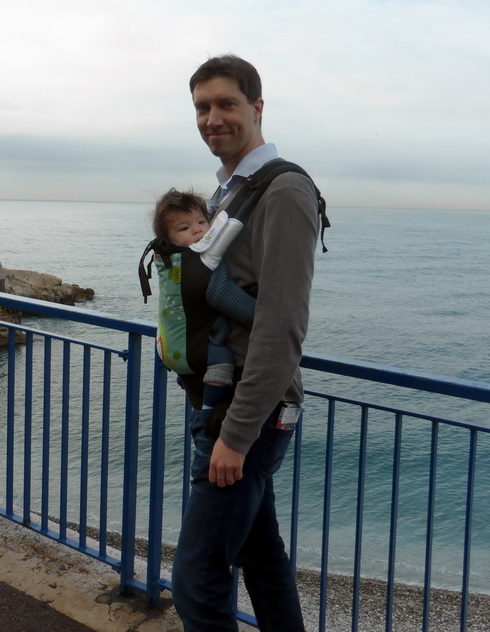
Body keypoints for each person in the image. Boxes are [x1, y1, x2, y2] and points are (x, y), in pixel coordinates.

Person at [171, 54, 319, 631]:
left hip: (247, 416)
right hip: (228, 406)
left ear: (257, 108)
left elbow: (282, 326)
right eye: (202, 107)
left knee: (197, 582)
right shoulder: (229, 192)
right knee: (261, 559)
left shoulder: (282, 192)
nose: (213, 118)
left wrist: (235, 436)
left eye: (226, 104)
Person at [151, 187, 252, 409]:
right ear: (168, 240)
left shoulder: (170, 262)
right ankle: (209, 411)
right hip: (195, 351)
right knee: (223, 361)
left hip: (168, 345)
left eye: (201, 222)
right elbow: (223, 295)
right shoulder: (199, 265)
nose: (197, 231)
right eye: (185, 228)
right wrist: (260, 316)